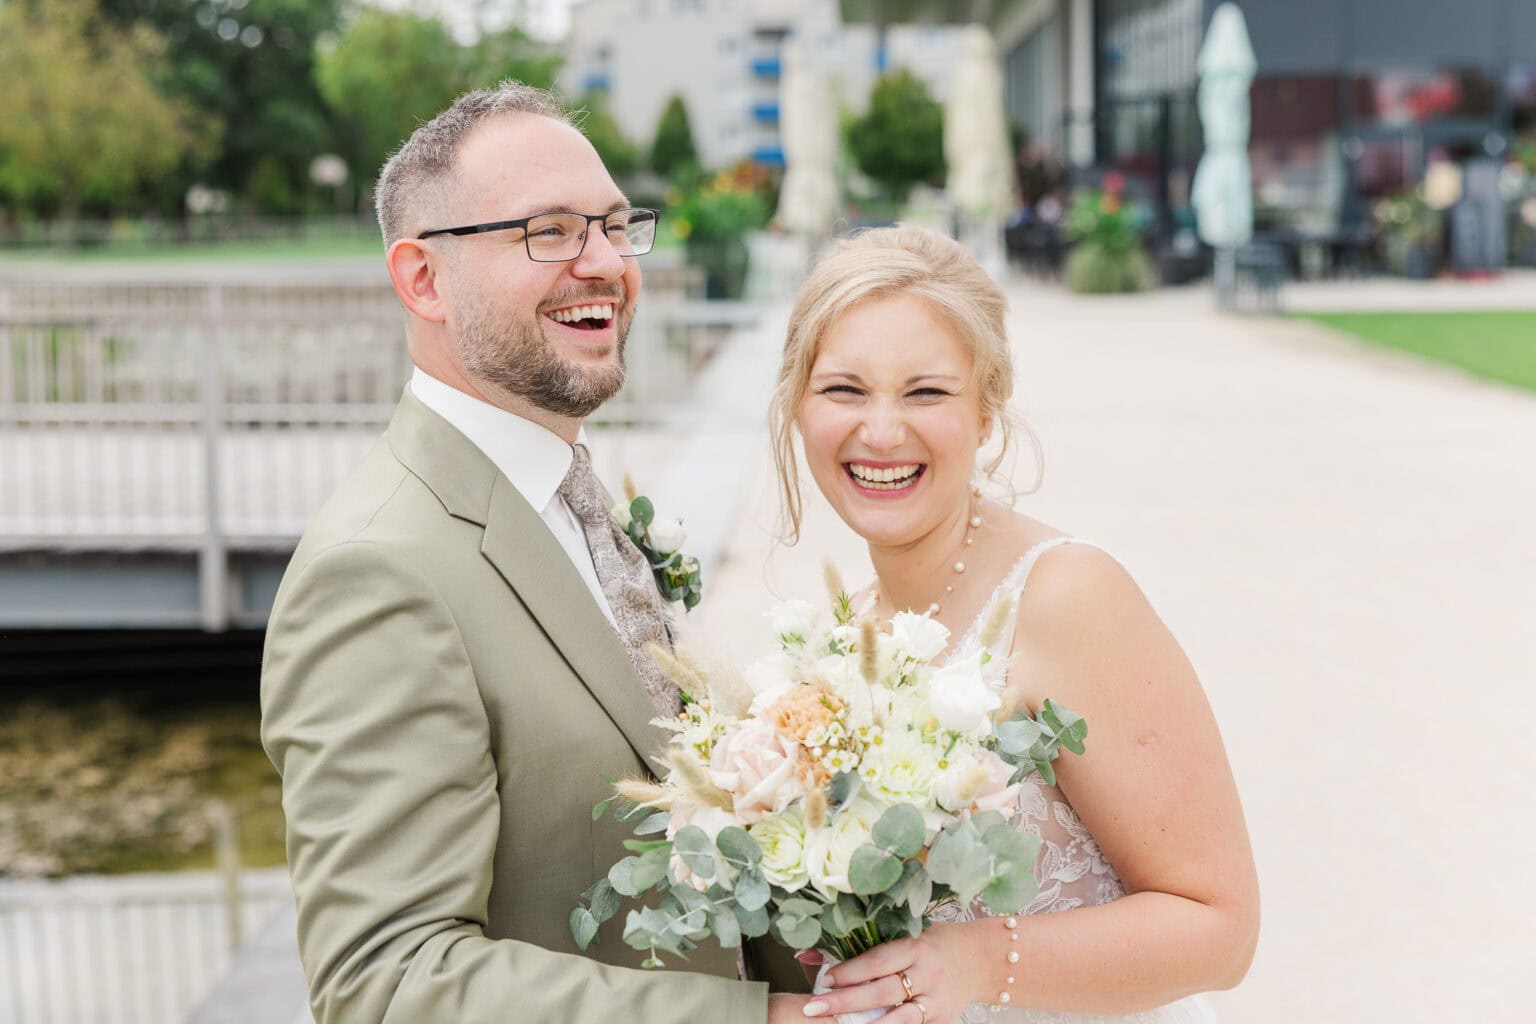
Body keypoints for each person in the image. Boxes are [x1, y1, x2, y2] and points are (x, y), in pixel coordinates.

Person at [260, 81, 812, 1024]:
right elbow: (386, 980)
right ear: (422, 278)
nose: (603, 263)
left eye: (611, 224)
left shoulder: (577, 497)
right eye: (547, 232)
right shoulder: (377, 574)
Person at [765, 226, 1260, 1024]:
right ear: (798, 404)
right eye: (844, 390)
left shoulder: (1067, 597)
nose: (882, 432)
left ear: (986, 411)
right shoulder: (835, 639)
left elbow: (1220, 928)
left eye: (925, 392)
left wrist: (977, 961)